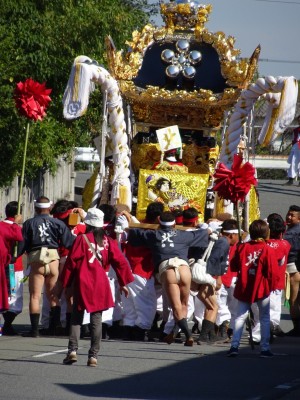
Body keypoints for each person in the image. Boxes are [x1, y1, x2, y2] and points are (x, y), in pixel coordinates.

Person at [60, 208, 134, 367]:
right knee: (97, 319)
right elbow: (121, 262)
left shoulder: (81, 239)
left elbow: (71, 263)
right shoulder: (108, 241)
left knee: (76, 317)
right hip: (101, 282)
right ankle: (93, 356)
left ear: (87, 223)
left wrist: (65, 284)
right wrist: (123, 283)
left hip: (83, 281)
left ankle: (72, 351)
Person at [126, 211, 209, 346]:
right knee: (184, 304)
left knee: (176, 306)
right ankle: (175, 332)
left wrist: (128, 222)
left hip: (167, 269)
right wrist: (204, 228)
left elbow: (134, 233)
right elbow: (204, 234)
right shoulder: (184, 235)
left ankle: (188, 335)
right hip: (184, 268)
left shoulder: (153, 235)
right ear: (175, 223)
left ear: (159, 221)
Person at [20, 196, 75, 337]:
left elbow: (22, 245)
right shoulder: (57, 223)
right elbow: (69, 242)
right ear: (50, 208)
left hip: (37, 258)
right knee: (53, 295)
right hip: (53, 259)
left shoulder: (29, 223)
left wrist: (16, 255)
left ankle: (35, 331)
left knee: (35, 296)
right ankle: (55, 327)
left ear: (36, 208)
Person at [227, 219, 279, 358]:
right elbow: (272, 271)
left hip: (245, 285)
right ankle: (265, 348)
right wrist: (272, 285)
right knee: (264, 318)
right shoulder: (267, 249)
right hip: (261, 286)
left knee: (240, 317)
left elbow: (234, 266)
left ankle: (234, 346)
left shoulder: (243, 247)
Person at [119, 202, 164, 341]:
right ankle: (140, 331)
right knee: (147, 305)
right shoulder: (150, 231)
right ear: (158, 217)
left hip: (128, 269)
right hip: (140, 270)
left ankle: (129, 330)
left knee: (130, 304)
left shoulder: (137, 225)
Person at [0, 201, 23, 334]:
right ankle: (7, 324)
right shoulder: (13, 227)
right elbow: (18, 238)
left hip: (10, 265)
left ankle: (7, 323)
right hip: (13, 266)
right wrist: (16, 224)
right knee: (14, 296)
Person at [283, 205, 300, 336]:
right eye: (288, 214)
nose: (288, 217)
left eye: (292, 215)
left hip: (293, 266)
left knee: (293, 299)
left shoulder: (291, 233)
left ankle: (297, 327)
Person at [285, 116, 300, 185]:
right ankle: (291, 179)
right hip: (296, 147)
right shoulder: (296, 130)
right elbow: (294, 139)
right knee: (294, 163)